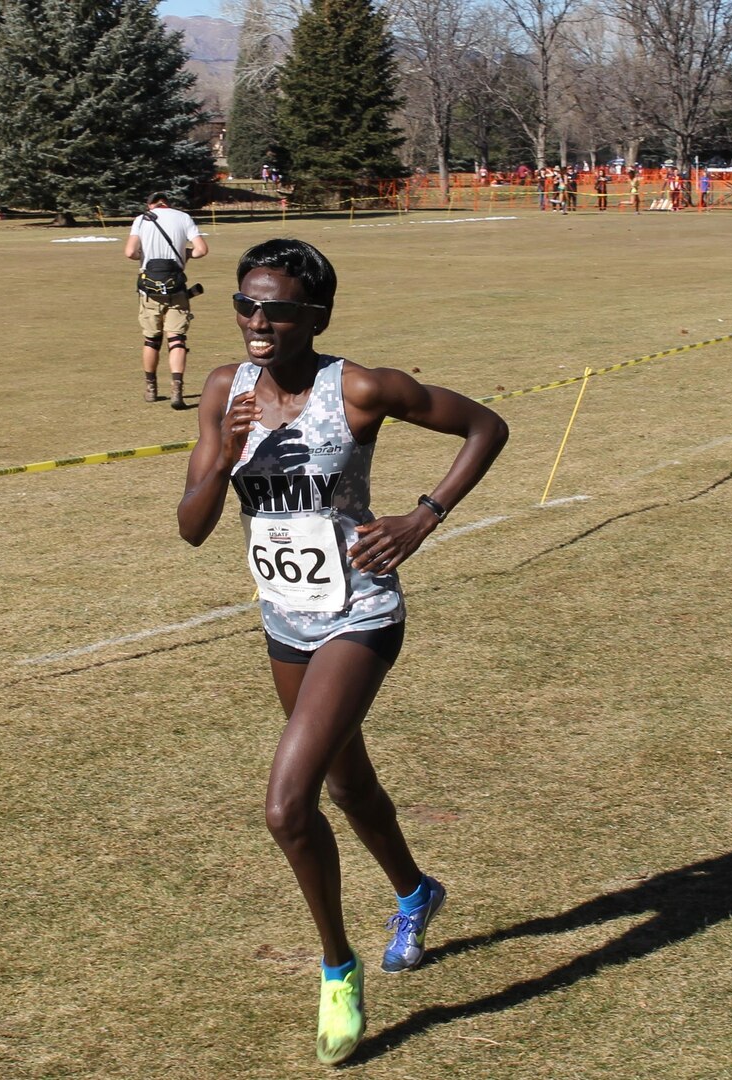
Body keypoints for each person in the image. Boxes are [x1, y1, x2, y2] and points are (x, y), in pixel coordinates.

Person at [177, 238, 508, 1066]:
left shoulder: (357, 387)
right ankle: (415, 891)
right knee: (346, 779)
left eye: (277, 308)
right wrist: (223, 449)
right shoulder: (226, 389)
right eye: (245, 305)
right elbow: (191, 526)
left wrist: (422, 518)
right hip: (285, 617)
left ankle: (336, 968)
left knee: (288, 806)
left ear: (315, 315)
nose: (257, 321)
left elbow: (485, 425)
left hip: (359, 612)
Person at [125, 191, 209, 408]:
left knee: (152, 339)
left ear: (150, 204)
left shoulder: (142, 219)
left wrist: (144, 255)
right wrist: (185, 254)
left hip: (149, 290)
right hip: (176, 288)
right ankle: (177, 390)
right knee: (177, 339)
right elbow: (201, 250)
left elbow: (130, 252)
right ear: (168, 203)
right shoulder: (183, 217)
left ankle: (151, 388)